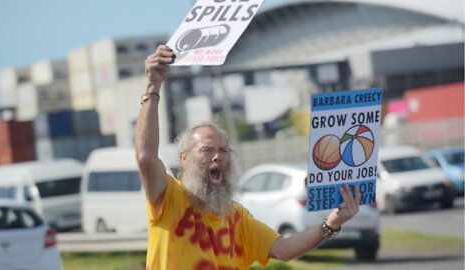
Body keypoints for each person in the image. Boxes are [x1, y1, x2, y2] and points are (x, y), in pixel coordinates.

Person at [135, 45, 361, 270]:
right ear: (183, 157)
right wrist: (153, 86)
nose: (217, 157)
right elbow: (146, 157)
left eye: (223, 151)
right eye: (207, 150)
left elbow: (283, 249)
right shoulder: (168, 198)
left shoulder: (236, 217)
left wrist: (331, 224)